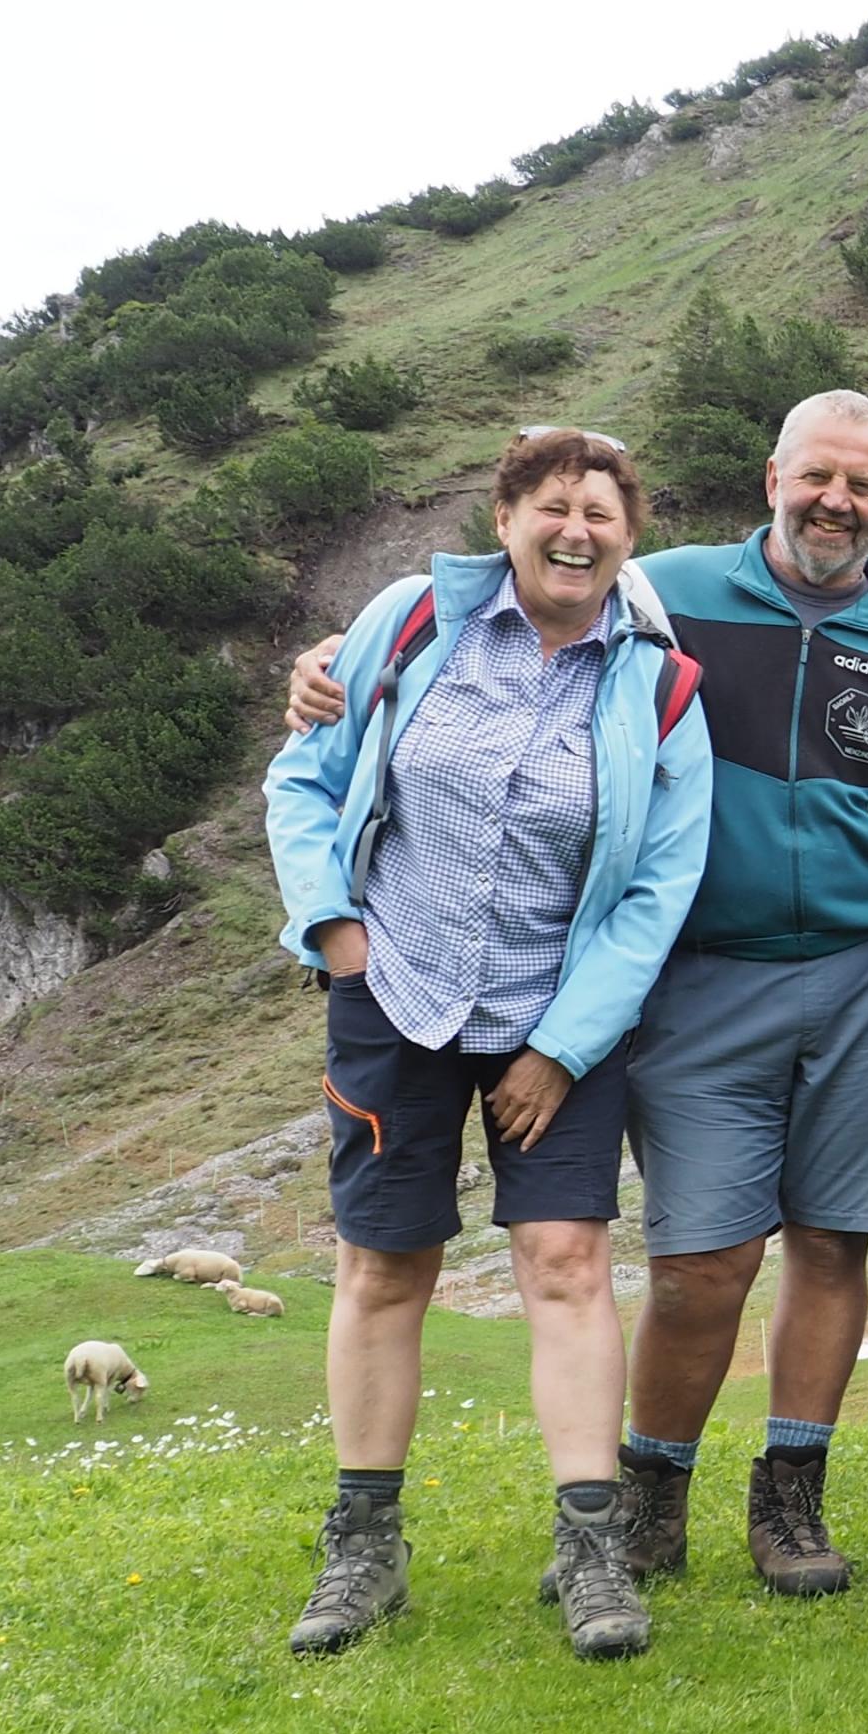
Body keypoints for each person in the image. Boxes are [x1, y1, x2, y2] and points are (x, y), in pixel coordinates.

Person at [289, 391, 868, 1601]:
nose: (835, 502)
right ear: (772, 477)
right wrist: (323, 672)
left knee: (833, 1240)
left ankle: (790, 1501)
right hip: (700, 973)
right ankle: (650, 1498)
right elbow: (502, 615)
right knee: (699, 1258)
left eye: (862, 486)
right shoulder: (659, 593)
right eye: (816, 476)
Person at [263, 429, 713, 1660]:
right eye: (553, 507)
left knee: (566, 1263)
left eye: (602, 515)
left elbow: (658, 889)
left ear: (630, 538)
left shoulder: (660, 685)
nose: (577, 531)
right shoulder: (410, 622)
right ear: (505, 518)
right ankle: (364, 1549)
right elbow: (304, 780)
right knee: (382, 1264)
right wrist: (332, 928)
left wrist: (562, 1049)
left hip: (559, 1017)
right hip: (393, 996)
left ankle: (592, 1552)